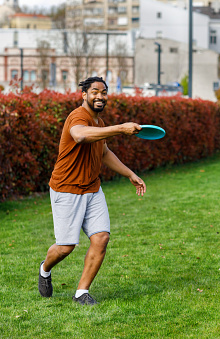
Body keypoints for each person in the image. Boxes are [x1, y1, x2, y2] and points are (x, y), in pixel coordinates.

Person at [38, 76, 146, 306]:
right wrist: (119, 129)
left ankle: (81, 293)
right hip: (67, 189)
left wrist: (130, 174)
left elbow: (104, 153)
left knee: (101, 238)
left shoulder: (99, 123)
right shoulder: (78, 116)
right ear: (84, 95)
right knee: (66, 247)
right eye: (95, 91)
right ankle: (45, 268)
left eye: (104, 92)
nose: (100, 96)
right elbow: (80, 135)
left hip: (92, 188)